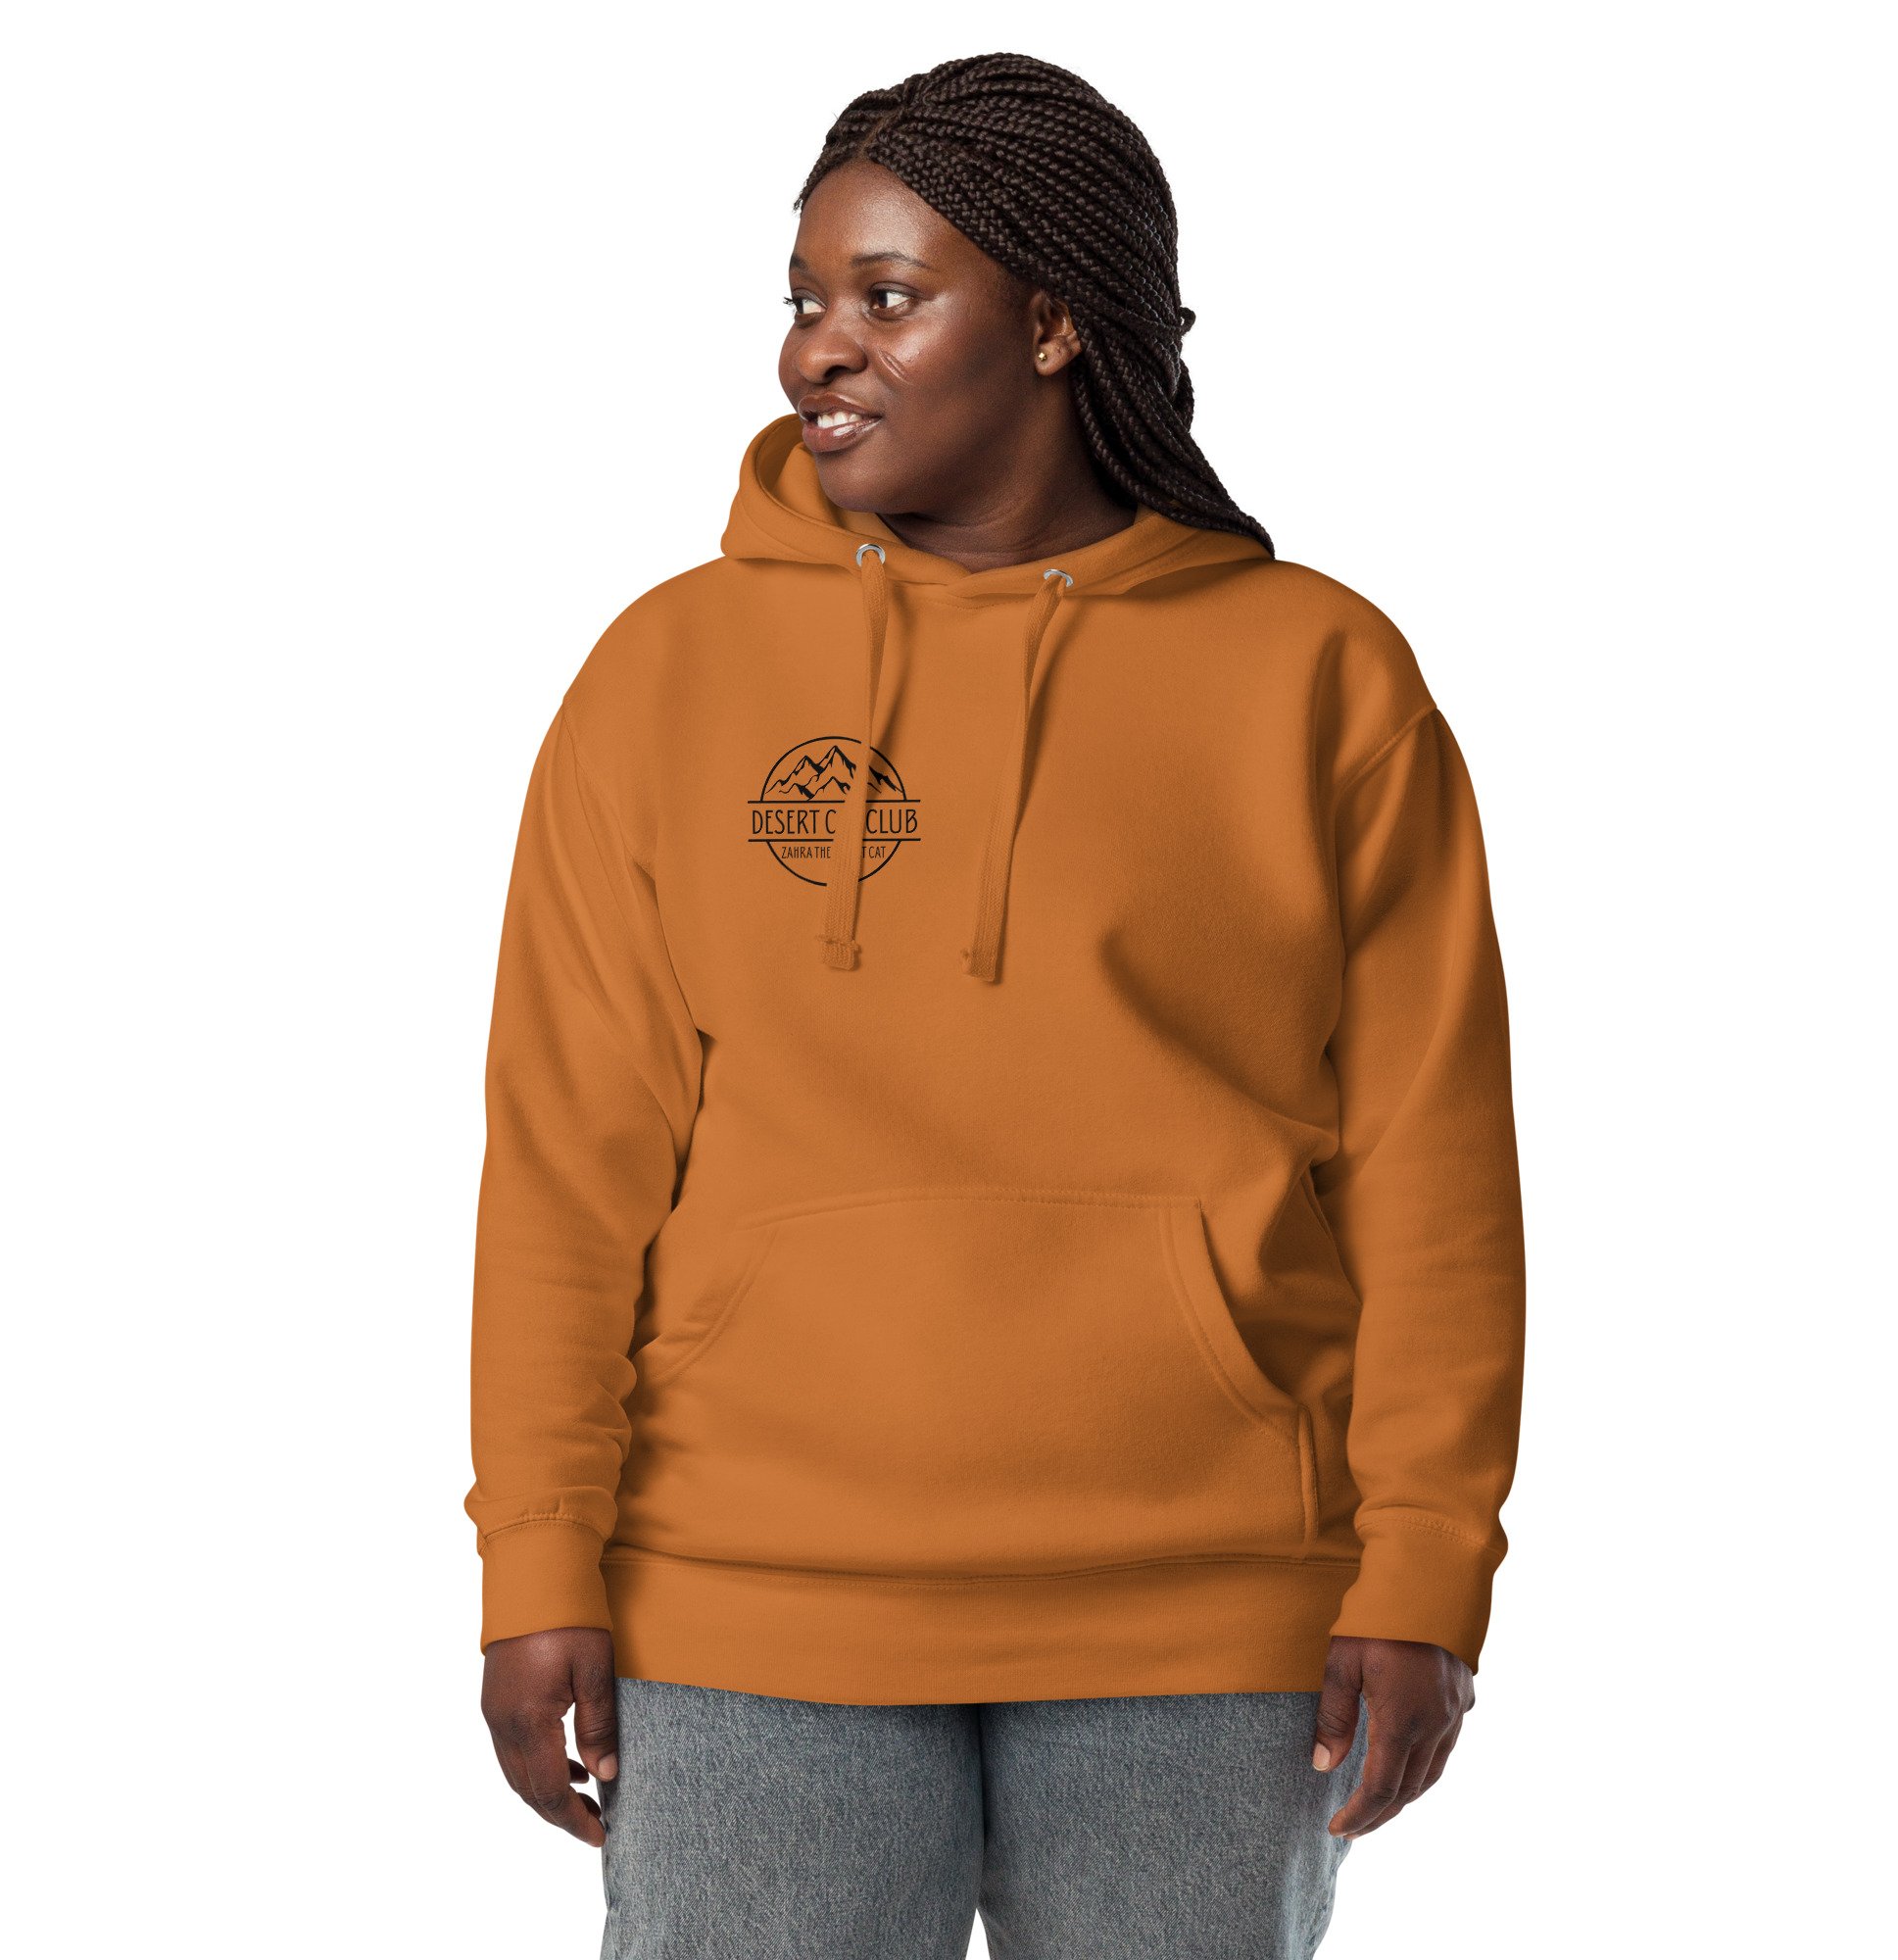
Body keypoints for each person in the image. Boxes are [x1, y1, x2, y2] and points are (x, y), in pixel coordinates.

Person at [465, 51, 1526, 1960]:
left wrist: (1429, 1558)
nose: (818, 349)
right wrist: (536, 1552)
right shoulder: (665, 675)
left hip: (1205, 1609)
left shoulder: (1318, 677)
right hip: (751, 1594)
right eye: (805, 299)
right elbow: (566, 1165)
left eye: (887, 296)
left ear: (1053, 322)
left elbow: (1429, 1171)